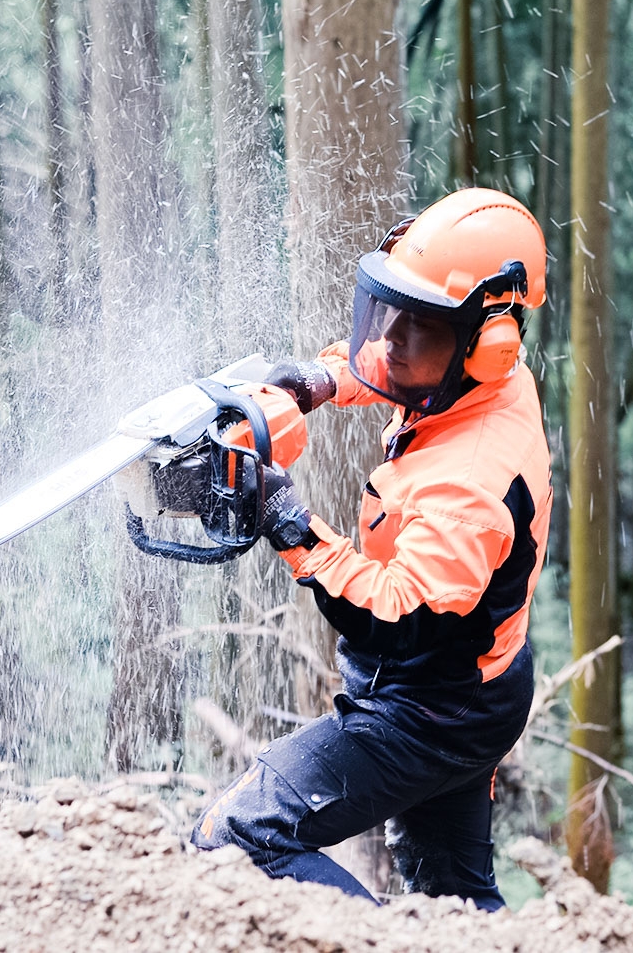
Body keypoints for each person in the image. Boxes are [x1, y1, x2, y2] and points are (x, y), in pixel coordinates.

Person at [190, 187, 553, 910]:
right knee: (451, 899)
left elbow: (393, 614)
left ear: (486, 346)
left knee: (237, 838)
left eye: (414, 328)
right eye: (383, 315)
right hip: (478, 689)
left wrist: (285, 520)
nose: (388, 342)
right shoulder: (480, 382)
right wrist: (319, 380)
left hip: (426, 713)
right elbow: (400, 371)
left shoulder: (470, 485)